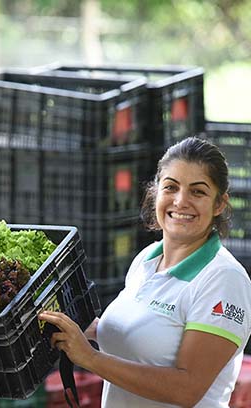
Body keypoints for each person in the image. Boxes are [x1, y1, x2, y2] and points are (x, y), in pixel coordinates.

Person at [39, 137, 251, 407]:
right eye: (171, 187)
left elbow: (187, 389)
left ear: (219, 204)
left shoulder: (224, 279)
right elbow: (139, 336)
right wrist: (83, 329)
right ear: (156, 192)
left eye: (198, 192)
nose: (181, 201)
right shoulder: (146, 260)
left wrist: (89, 358)